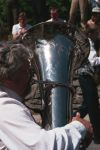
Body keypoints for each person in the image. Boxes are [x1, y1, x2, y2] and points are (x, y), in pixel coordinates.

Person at [0, 40, 93, 149]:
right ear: (8, 77)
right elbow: (42, 146)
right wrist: (79, 126)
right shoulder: (5, 108)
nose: (32, 74)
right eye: (26, 71)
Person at [74, 24, 100, 144]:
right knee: (93, 106)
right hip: (86, 77)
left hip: (85, 77)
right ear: (90, 34)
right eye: (96, 34)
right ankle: (97, 136)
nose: (97, 35)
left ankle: (71, 120)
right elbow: (93, 60)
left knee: (86, 105)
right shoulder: (89, 44)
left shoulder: (87, 42)